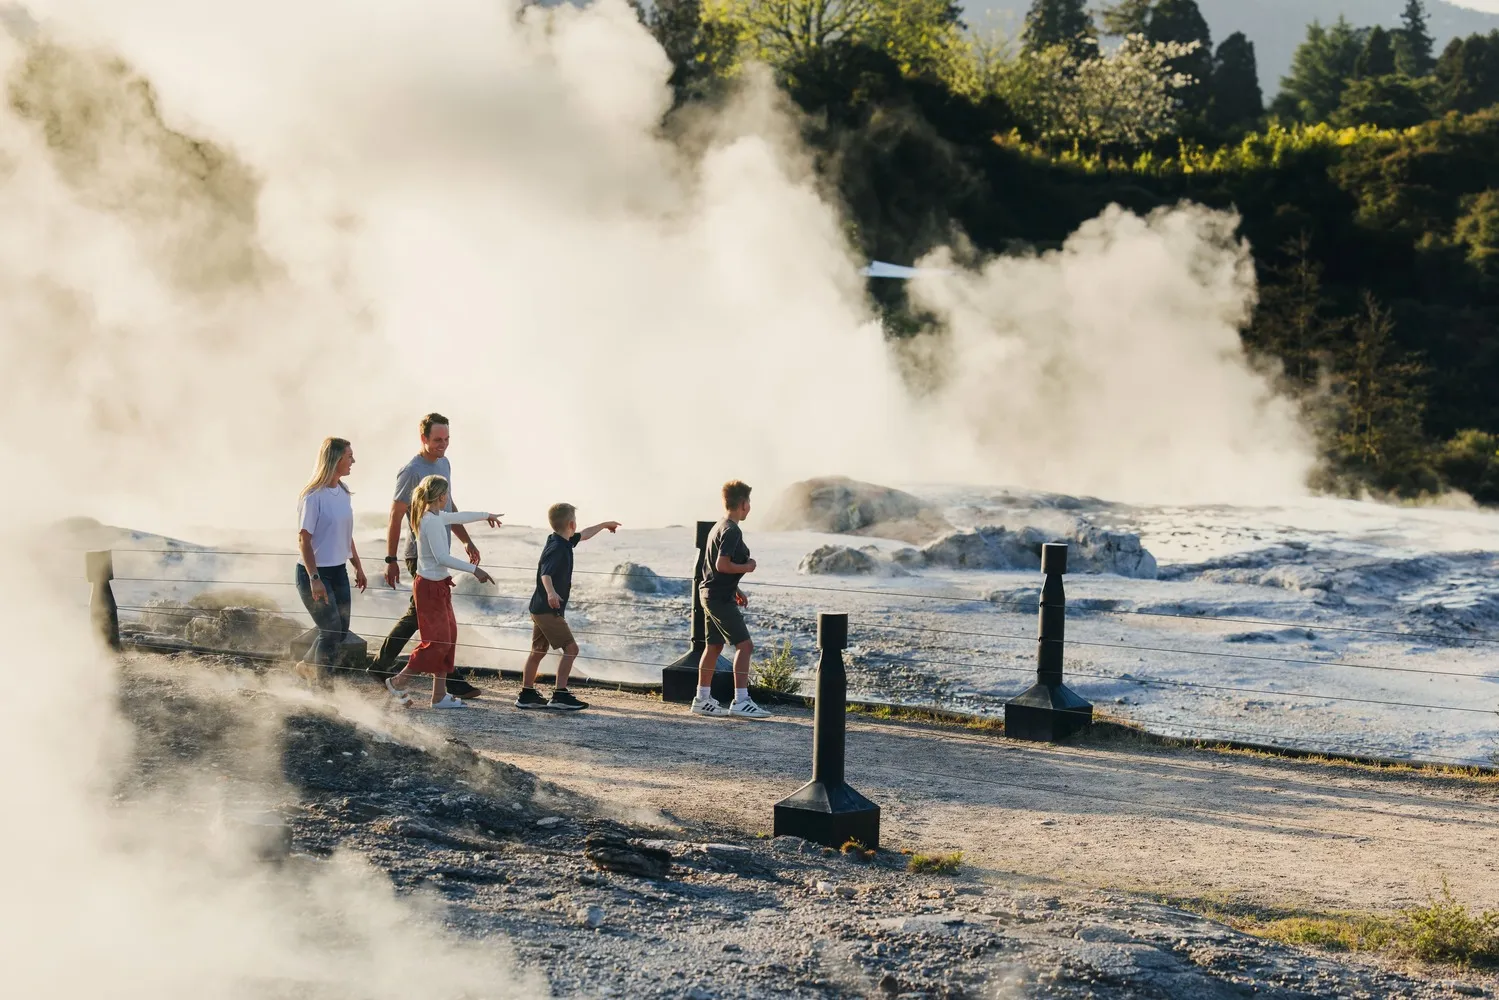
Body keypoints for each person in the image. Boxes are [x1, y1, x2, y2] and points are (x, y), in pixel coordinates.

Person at [372, 413, 485, 699]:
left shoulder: (444, 463)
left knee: (418, 616)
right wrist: (391, 560)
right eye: (437, 440)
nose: (442, 445)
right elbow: (395, 515)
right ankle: (449, 681)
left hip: (440, 550)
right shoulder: (411, 470)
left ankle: (382, 666)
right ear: (423, 438)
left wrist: (466, 540)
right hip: (419, 554)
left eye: (446, 439)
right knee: (434, 618)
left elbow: (449, 508)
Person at [384, 475, 502, 708]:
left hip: (439, 585)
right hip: (429, 588)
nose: (448, 498)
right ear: (441, 496)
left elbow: (460, 516)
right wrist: (474, 570)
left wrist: (486, 515)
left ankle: (439, 695)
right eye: (446, 494)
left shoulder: (436, 516)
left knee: (449, 639)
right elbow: (442, 557)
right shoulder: (430, 521)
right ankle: (397, 681)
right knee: (437, 643)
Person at [514, 503, 621, 711]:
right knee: (571, 649)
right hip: (547, 609)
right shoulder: (557, 548)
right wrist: (551, 593)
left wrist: (603, 525)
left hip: (538, 607)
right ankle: (560, 694)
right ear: (572, 524)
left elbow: (585, 534)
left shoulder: (560, 540)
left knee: (538, 651)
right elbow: (546, 574)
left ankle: (526, 695)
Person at [691, 480, 771, 719]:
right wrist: (747, 566)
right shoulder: (732, 530)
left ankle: (702, 699)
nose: (750, 507)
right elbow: (722, 564)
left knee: (714, 646)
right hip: (719, 598)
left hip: (710, 594)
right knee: (745, 646)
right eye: (749, 502)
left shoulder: (718, 526)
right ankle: (741, 700)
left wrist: (736, 588)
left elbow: (713, 568)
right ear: (743, 504)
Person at [294, 437, 367, 683]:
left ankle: (307, 665)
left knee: (341, 630)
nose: (353, 461)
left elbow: (346, 534)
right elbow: (304, 540)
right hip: (314, 573)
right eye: (349, 456)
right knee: (330, 631)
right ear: (335, 459)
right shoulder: (313, 496)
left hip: (338, 571)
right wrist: (314, 578)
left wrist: (357, 566)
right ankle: (322, 686)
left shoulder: (343, 492)